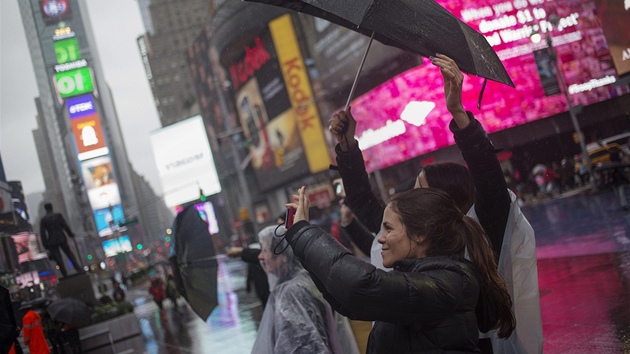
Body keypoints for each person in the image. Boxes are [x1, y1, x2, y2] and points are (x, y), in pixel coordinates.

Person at [328, 54, 542, 353]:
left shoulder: (482, 232)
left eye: (420, 191)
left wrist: (457, 112)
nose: (408, 199)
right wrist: (347, 146)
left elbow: (489, 179)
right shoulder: (414, 235)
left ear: (444, 203)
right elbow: (363, 202)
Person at [285, 186, 515, 353]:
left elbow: (361, 286)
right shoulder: (422, 278)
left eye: (388, 229)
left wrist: (305, 233)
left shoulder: (449, 284)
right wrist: (300, 244)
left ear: (420, 234)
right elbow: (348, 302)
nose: (381, 239)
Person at [251, 225, 346, 354]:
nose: (260, 256)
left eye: (265, 250)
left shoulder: (291, 293)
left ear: (283, 255)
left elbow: (300, 345)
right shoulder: (304, 281)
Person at [39, 203, 81, 277]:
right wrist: (70, 234)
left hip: (52, 241)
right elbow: (65, 226)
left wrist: (45, 245)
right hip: (61, 238)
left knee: (58, 259)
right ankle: (77, 268)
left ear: (45, 209)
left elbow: (43, 234)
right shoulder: (58, 216)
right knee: (69, 254)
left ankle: (64, 273)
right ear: (52, 208)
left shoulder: (44, 220)